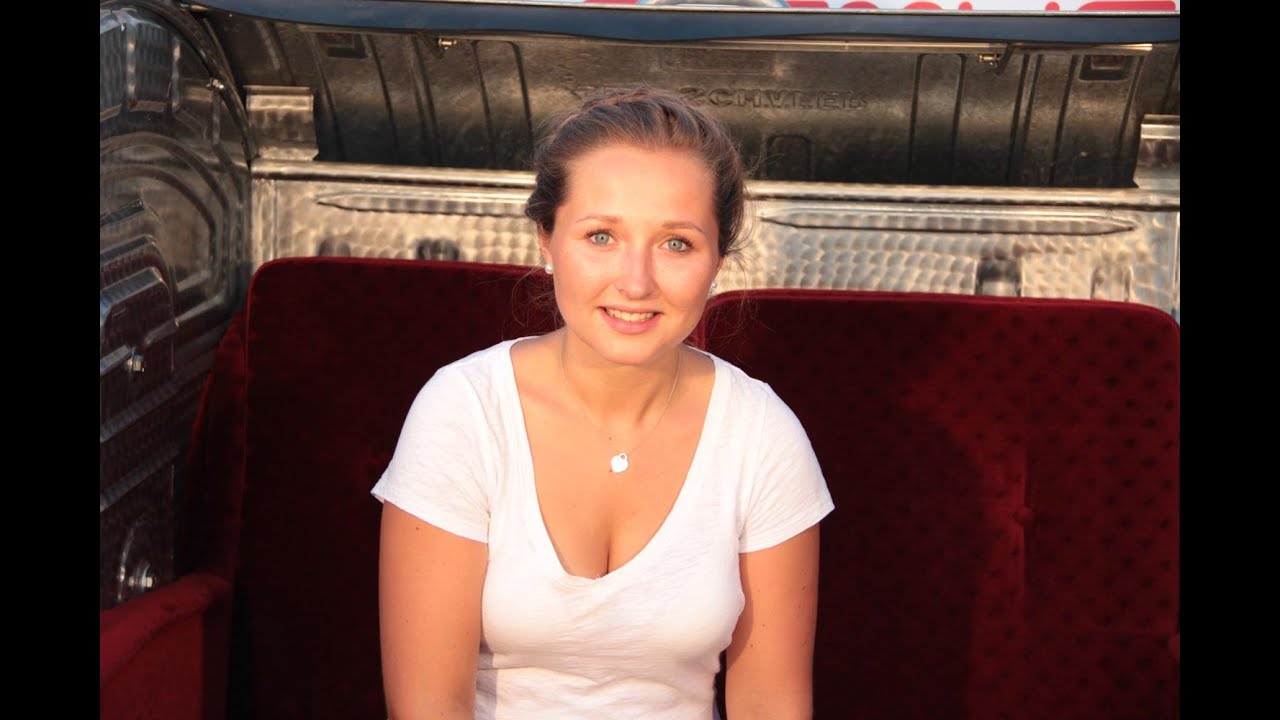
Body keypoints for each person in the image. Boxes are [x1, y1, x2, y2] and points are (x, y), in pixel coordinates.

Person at [372, 86, 834, 720]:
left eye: (676, 243)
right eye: (600, 236)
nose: (636, 282)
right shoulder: (464, 411)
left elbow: (770, 704)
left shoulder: (762, 434)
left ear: (718, 258)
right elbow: (429, 707)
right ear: (546, 238)